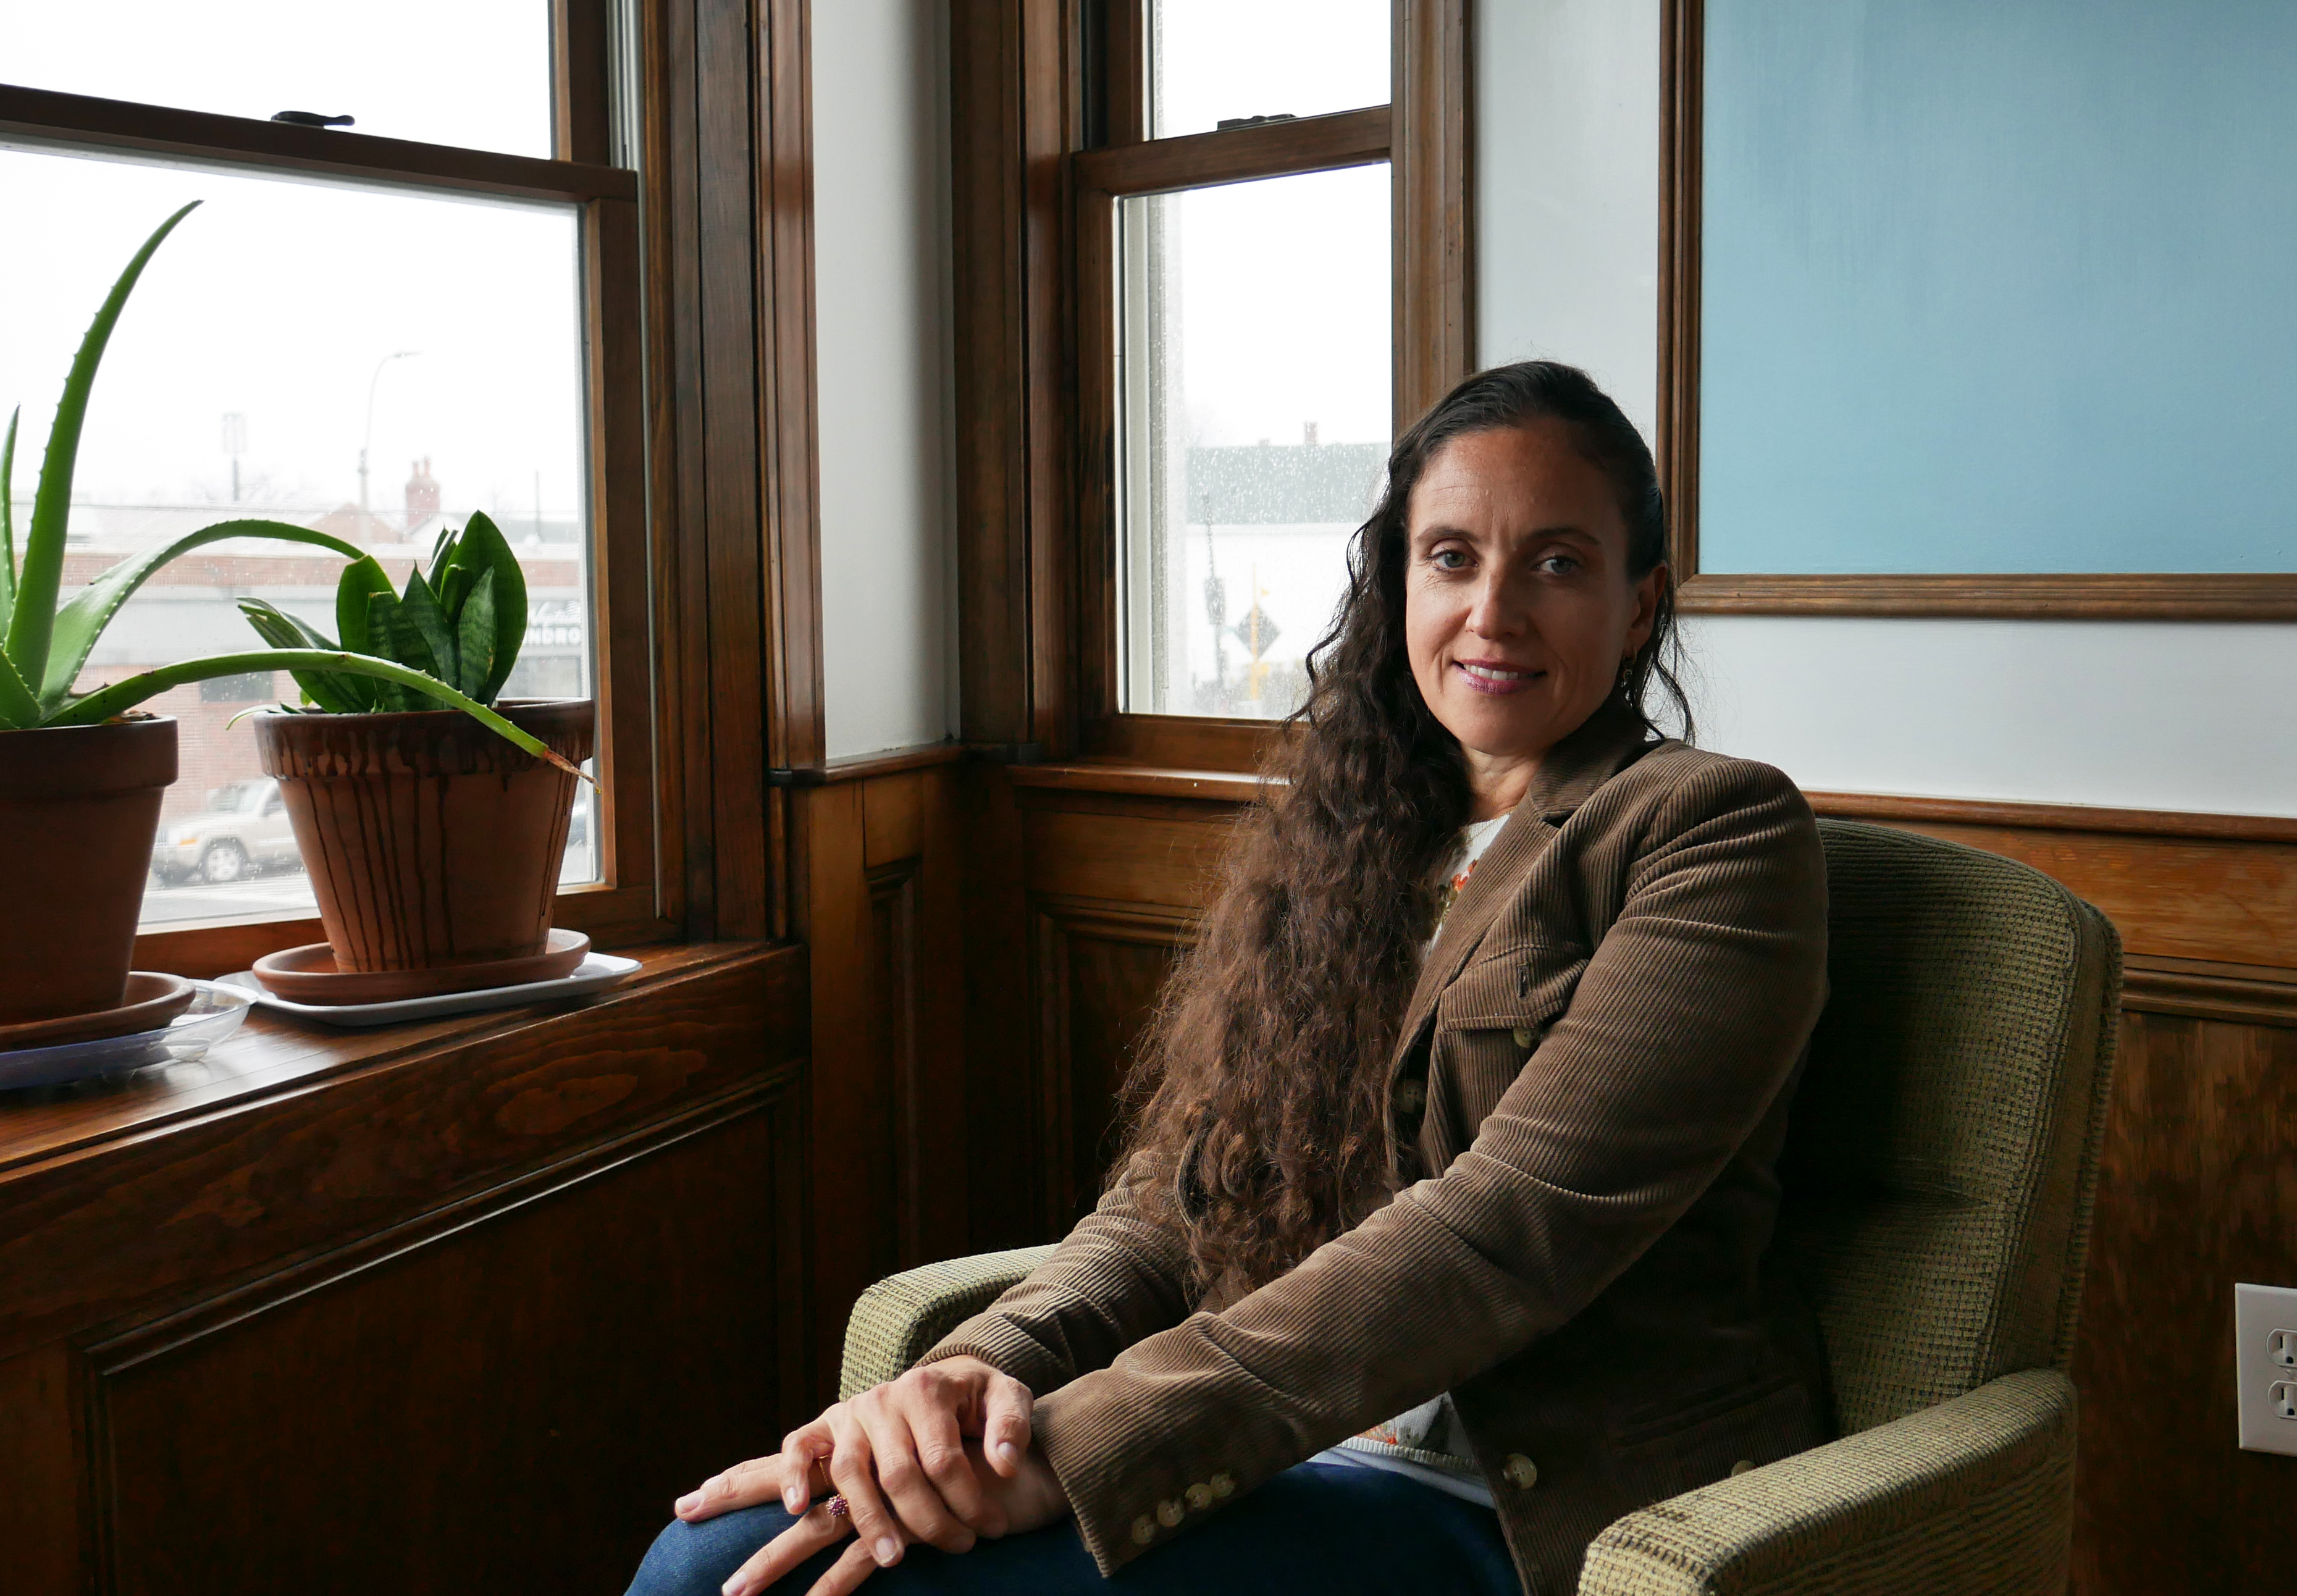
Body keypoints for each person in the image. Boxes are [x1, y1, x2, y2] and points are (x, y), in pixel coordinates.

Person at [627, 361, 1832, 1596]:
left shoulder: (1709, 832)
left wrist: (1088, 1445)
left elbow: (1503, 1228)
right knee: (709, 1556)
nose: (1493, 609)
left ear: (1638, 606)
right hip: (1292, 1461)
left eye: (1558, 562)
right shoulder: (1350, 837)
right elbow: (1170, 1202)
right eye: (1452, 555)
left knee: (726, 1579)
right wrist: (983, 1376)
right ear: (1398, 582)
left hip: (1521, 1504)